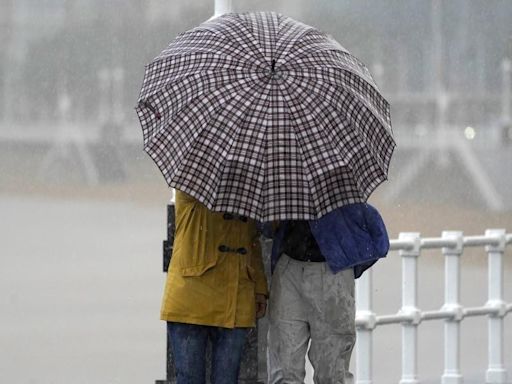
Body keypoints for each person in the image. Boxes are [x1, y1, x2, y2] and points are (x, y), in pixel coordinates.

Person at [265, 203, 389, 384]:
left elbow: (377, 237)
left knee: (330, 371)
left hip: (330, 271)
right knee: (285, 370)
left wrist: (345, 261)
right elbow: (267, 229)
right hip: (292, 268)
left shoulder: (339, 189)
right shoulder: (284, 187)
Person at [160, 190, 268, 384]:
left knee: (227, 379)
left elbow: (252, 243)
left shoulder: (250, 190)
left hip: (236, 298)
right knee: (190, 379)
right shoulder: (196, 180)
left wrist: (259, 287)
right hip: (191, 296)